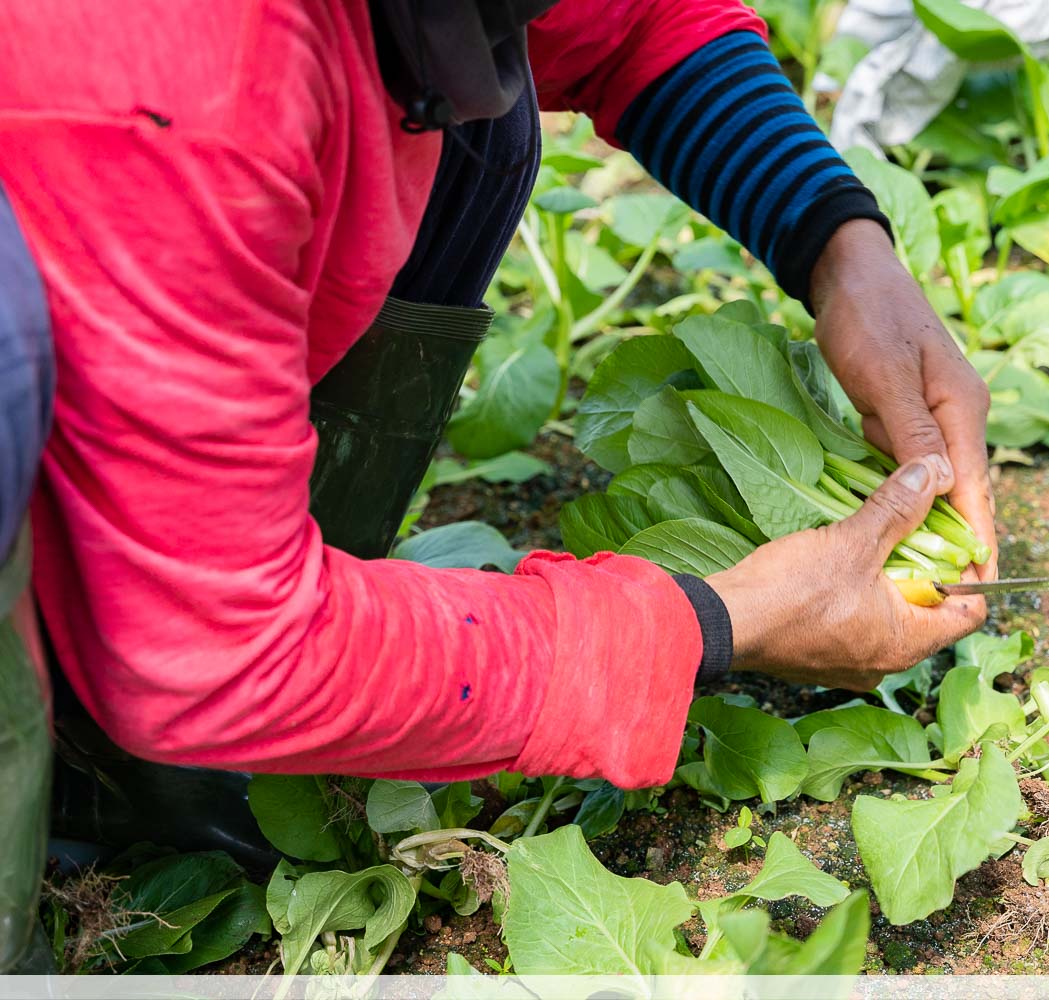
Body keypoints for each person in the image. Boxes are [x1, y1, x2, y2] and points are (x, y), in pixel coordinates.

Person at [0, 0, 995, 969]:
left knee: (472, 99)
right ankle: (82, 775)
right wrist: (715, 622)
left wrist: (841, 247)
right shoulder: (180, 77)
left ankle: (251, 688)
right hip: (77, 263)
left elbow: (628, 25)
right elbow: (224, 647)